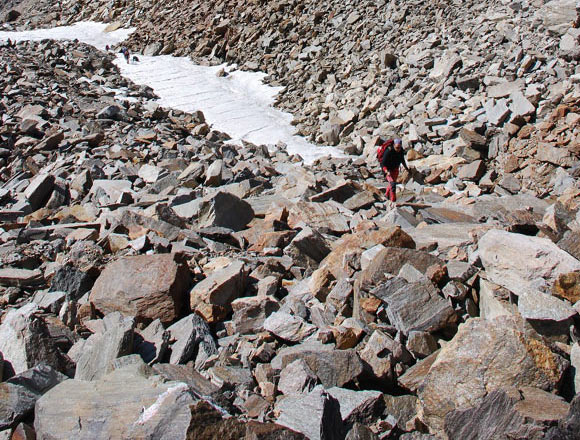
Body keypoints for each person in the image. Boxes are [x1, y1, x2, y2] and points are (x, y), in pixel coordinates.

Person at [381, 138, 409, 202]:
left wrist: (406, 168)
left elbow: (402, 160)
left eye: (399, 147)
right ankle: (393, 201)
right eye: (396, 147)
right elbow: (383, 163)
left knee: (392, 183)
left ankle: (386, 195)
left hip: (395, 168)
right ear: (394, 145)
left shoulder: (401, 150)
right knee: (393, 184)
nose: (398, 149)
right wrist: (386, 171)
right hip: (387, 169)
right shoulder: (388, 151)